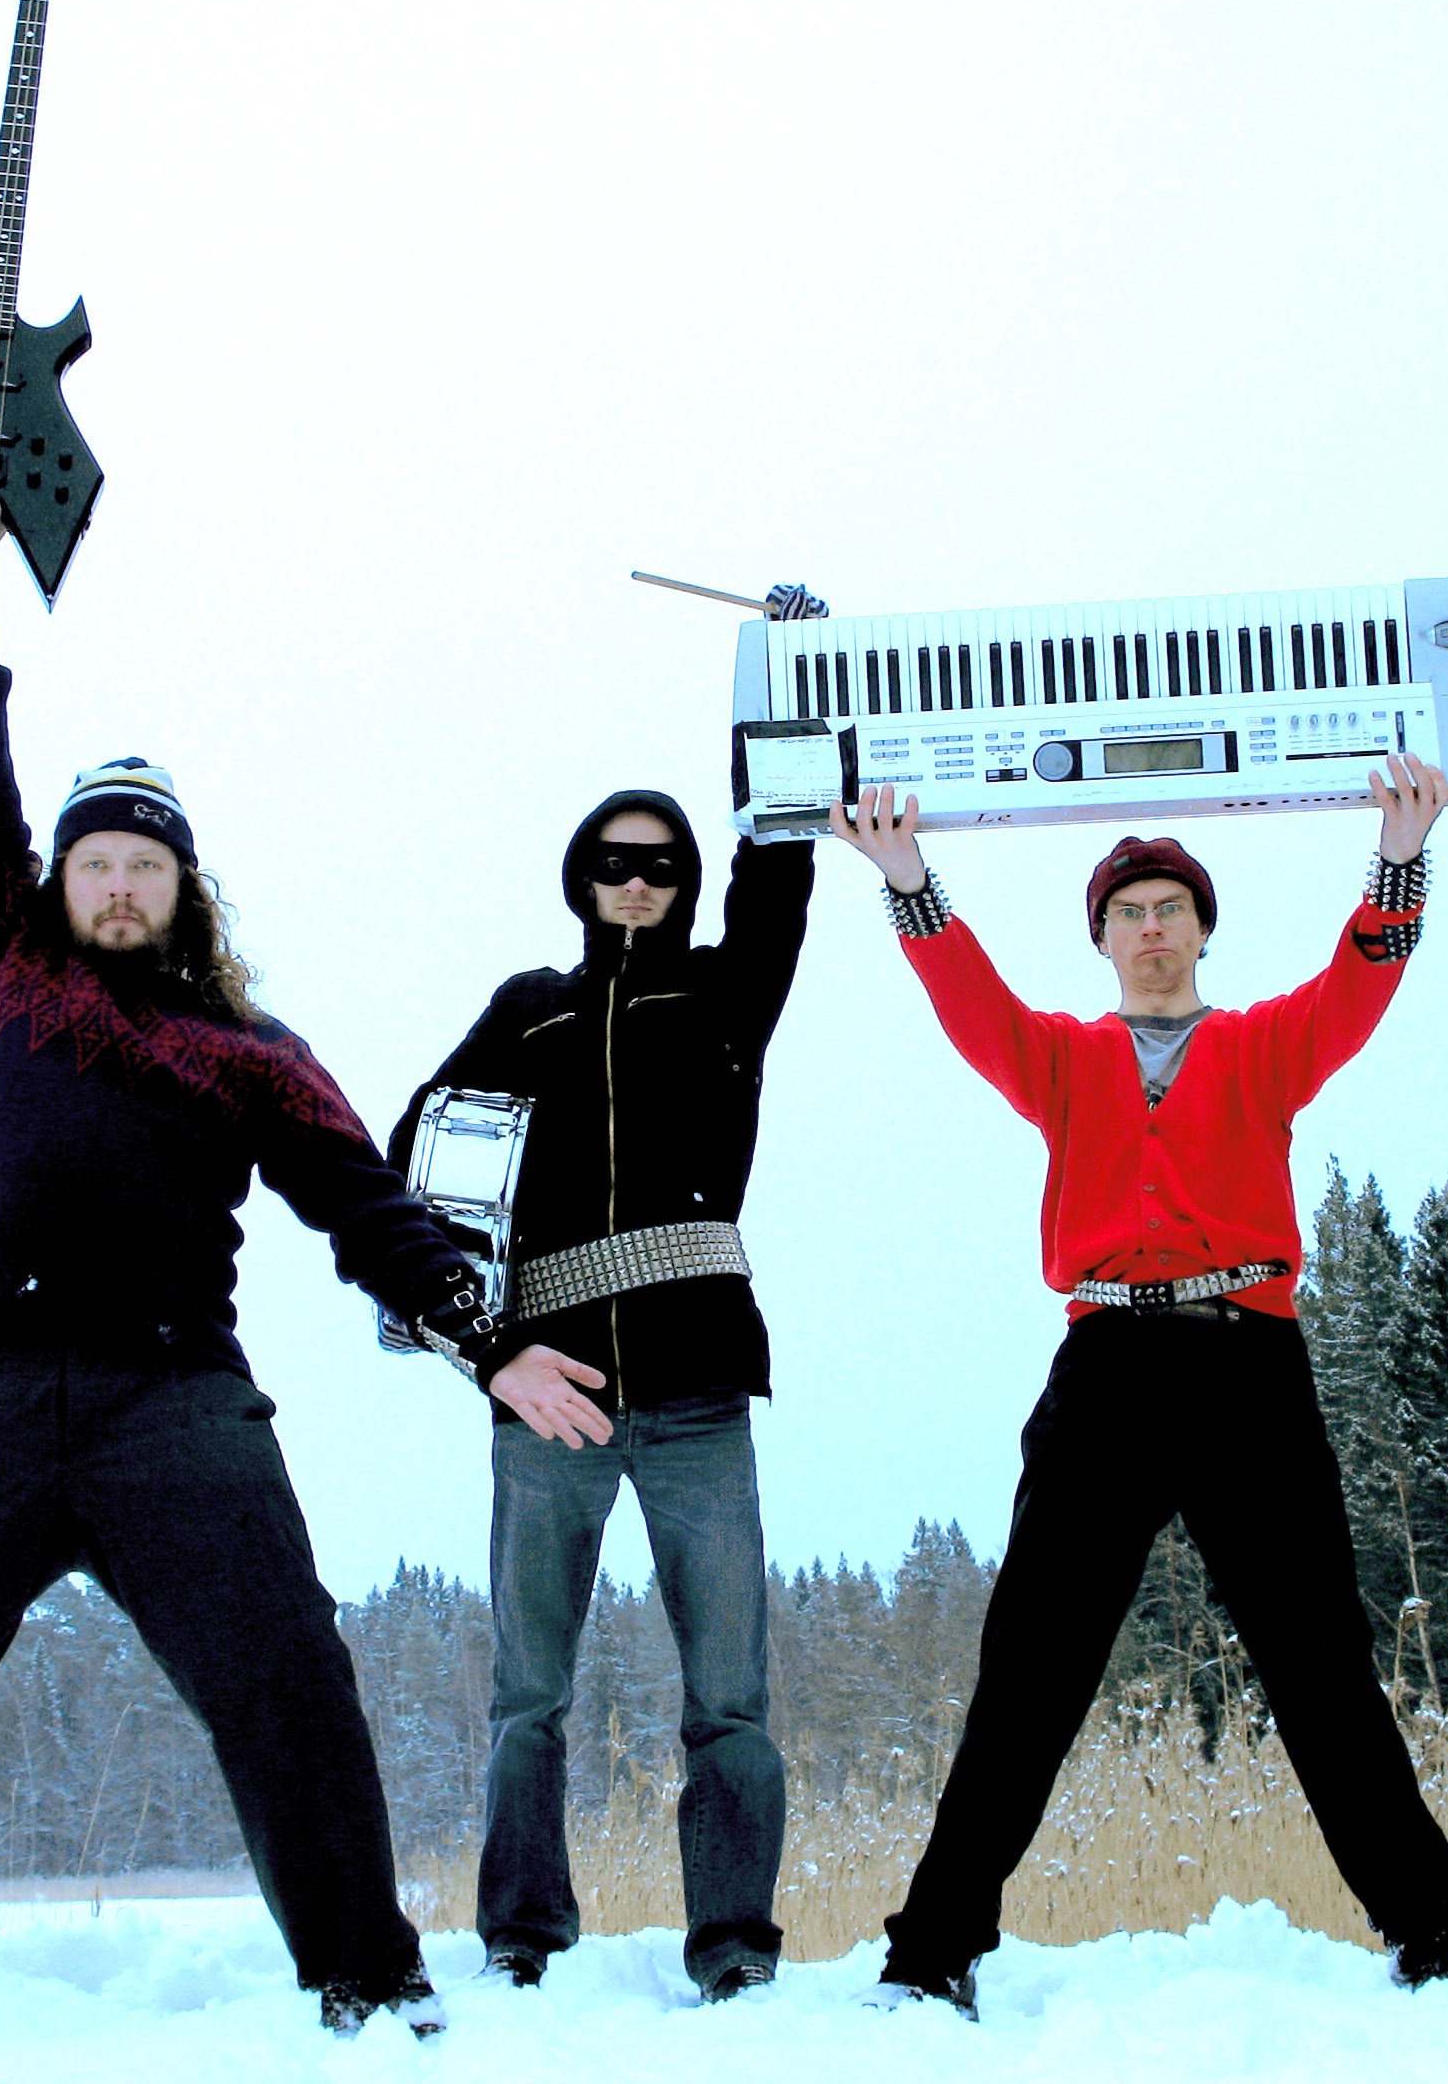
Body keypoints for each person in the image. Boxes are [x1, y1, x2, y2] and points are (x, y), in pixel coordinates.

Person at [0, 468, 486, 2054]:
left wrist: (481, 1328)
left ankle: (371, 1985)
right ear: (57, 879)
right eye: (97, 860)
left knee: (288, 1675)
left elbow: (367, 1206)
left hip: (170, 1400)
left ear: (183, 886)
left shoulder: (252, 1051)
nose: (121, 882)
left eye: (148, 862)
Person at [824, 762, 1448, 2017]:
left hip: (1248, 1363)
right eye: (1127, 912)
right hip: (1108, 1369)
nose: (1150, 928)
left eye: (1169, 909)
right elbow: (971, 1007)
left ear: (1200, 930)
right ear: (1103, 939)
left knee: (1319, 1662)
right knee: (1031, 1668)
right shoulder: (1063, 1059)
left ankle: (1435, 1935)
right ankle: (933, 1952)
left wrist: (1401, 860)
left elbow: (1357, 990)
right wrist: (909, 880)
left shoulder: (1259, 1048)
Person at [384, 604, 821, 2002]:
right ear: (581, 880)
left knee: (730, 1698)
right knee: (529, 1695)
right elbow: (414, 1161)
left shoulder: (727, 996)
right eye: (615, 864)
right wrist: (479, 1338)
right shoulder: (531, 1009)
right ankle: (518, 1937)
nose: (638, 883)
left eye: (662, 865)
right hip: (550, 1401)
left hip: (699, 1396)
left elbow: (781, 858)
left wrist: (780, 678)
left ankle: (735, 1948)